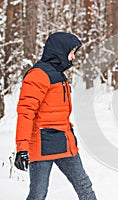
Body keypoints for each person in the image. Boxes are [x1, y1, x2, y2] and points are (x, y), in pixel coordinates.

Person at [14, 32, 97, 200]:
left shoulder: (59, 74)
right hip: (42, 143)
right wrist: (22, 148)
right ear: (60, 50)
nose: (73, 57)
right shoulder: (38, 75)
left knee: (84, 185)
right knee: (38, 194)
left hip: (63, 142)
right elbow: (26, 112)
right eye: (71, 51)